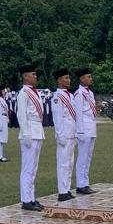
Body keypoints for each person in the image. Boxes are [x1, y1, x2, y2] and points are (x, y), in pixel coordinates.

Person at [15, 65, 45, 211]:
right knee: (27, 168)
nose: (35, 77)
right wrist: (26, 133)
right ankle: (26, 200)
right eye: (32, 74)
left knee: (33, 168)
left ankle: (31, 198)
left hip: (37, 130)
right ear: (25, 76)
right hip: (29, 132)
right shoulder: (23, 93)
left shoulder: (36, 92)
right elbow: (21, 114)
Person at [49, 69, 77, 202]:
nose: (69, 80)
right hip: (64, 133)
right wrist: (60, 135)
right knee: (63, 163)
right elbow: (58, 117)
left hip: (71, 132)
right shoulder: (57, 96)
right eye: (66, 78)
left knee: (70, 163)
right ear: (59, 80)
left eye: (69, 78)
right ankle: (62, 191)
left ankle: (67, 189)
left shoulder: (70, 96)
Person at [73, 69, 98, 195]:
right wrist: (80, 131)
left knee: (88, 158)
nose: (91, 79)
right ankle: (80, 185)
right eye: (88, 77)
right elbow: (78, 114)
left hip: (91, 127)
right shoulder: (79, 94)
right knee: (82, 158)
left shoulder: (90, 93)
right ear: (82, 79)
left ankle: (85, 183)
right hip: (84, 129)